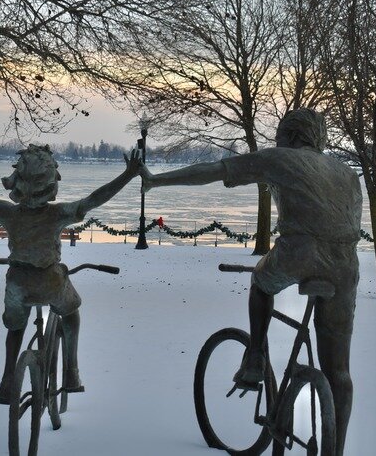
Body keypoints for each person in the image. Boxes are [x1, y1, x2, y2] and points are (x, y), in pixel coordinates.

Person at [141, 108, 361, 454]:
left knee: (261, 282)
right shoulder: (348, 174)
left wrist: (156, 180)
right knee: (340, 373)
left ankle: (255, 357)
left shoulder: (282, 159)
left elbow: (214, 171)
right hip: (345, 267)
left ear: (289, 137)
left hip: (297, 252)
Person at [0, 144, 141, 404]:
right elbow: (95, 198)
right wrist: (128, 174)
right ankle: (72, 372)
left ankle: (8, 380)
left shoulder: (9, 213)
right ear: (51, 181)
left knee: (15, 328)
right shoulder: (58, 213)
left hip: (17, 283)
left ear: (17, 182)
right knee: (71, 311)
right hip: (51, 280)